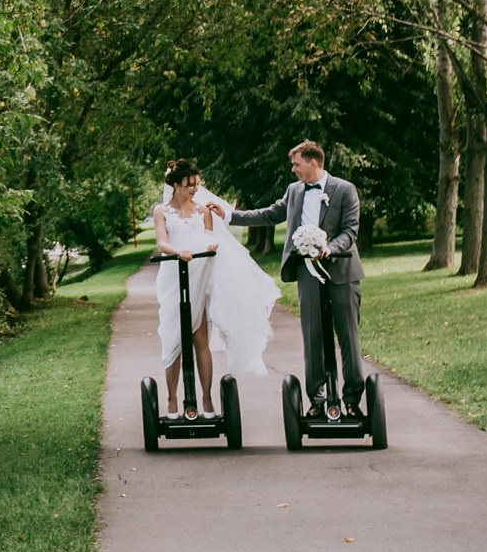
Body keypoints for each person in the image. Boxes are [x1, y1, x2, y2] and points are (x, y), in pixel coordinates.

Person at [213, 140, 366, 419]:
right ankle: (317, 400)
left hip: (342, 273)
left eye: (296, 164)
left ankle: (353, 400)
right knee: (312, 338)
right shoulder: (294, 191)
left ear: (313, 162)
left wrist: (330, 248)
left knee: (348, 337)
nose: (293, 170)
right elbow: (270, 214)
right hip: (307, 273)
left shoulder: (345, 190)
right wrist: (230, 216)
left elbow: (350, 230)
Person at [150, 159, 279, 416]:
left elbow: (212, 239)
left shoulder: (203, 211)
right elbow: (162, 242)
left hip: (200, 274)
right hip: (174, 274)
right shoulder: (161, 211)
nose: (194, 189)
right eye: (189, 185)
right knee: (173, 337)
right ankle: (172, 401)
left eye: (197, 184)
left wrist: (211, 247)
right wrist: (179, 251)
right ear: (175, 185)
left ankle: (207, 400)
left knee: (200, 337)